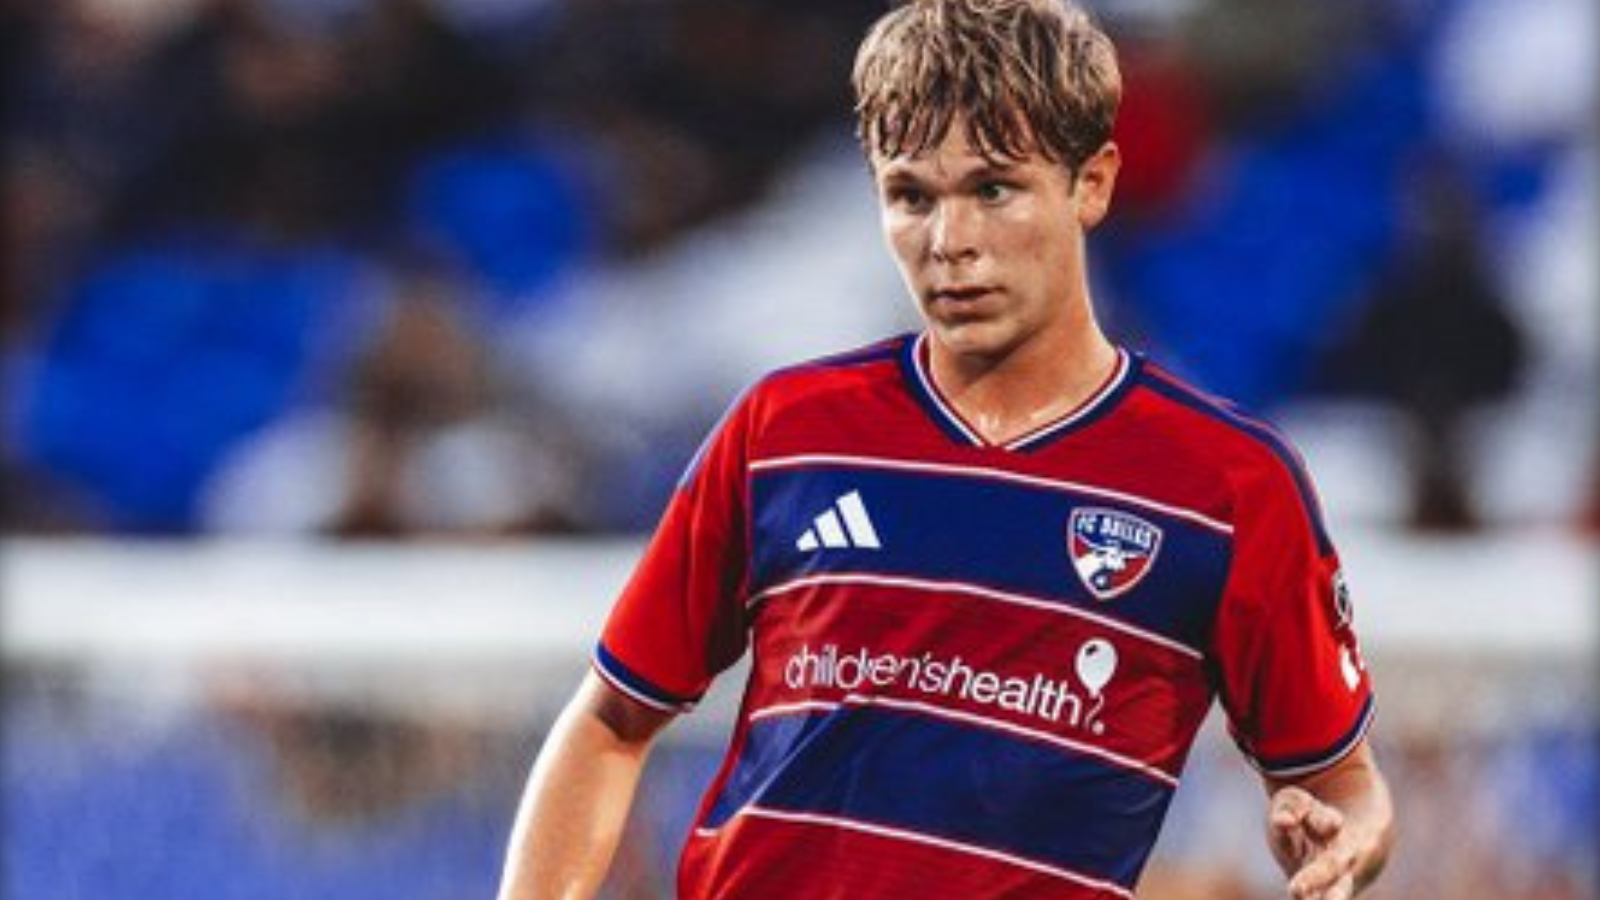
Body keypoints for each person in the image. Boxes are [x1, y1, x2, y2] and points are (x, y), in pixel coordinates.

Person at [495, 1, 1395, 898]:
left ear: (1091, 183)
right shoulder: (785, 432)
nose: (949, 242)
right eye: (911, 196)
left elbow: (1344, 788)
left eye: (993, 189)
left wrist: (1339, 842)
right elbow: (611, 721)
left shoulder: (1228, 484)